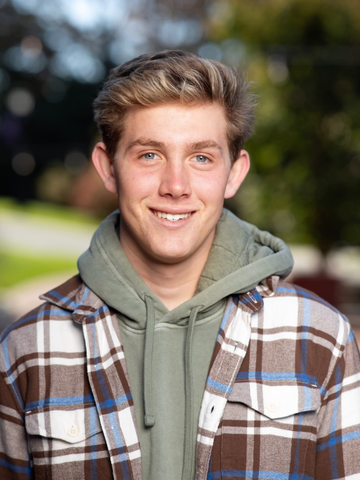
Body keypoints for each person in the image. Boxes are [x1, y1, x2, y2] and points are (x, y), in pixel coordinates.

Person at [1, 50, 360, 480]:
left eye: (202, 158)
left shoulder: (322, 339)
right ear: (108, 168)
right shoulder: (26, 351)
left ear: (234, 173)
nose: (175, 186)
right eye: (149, 155)